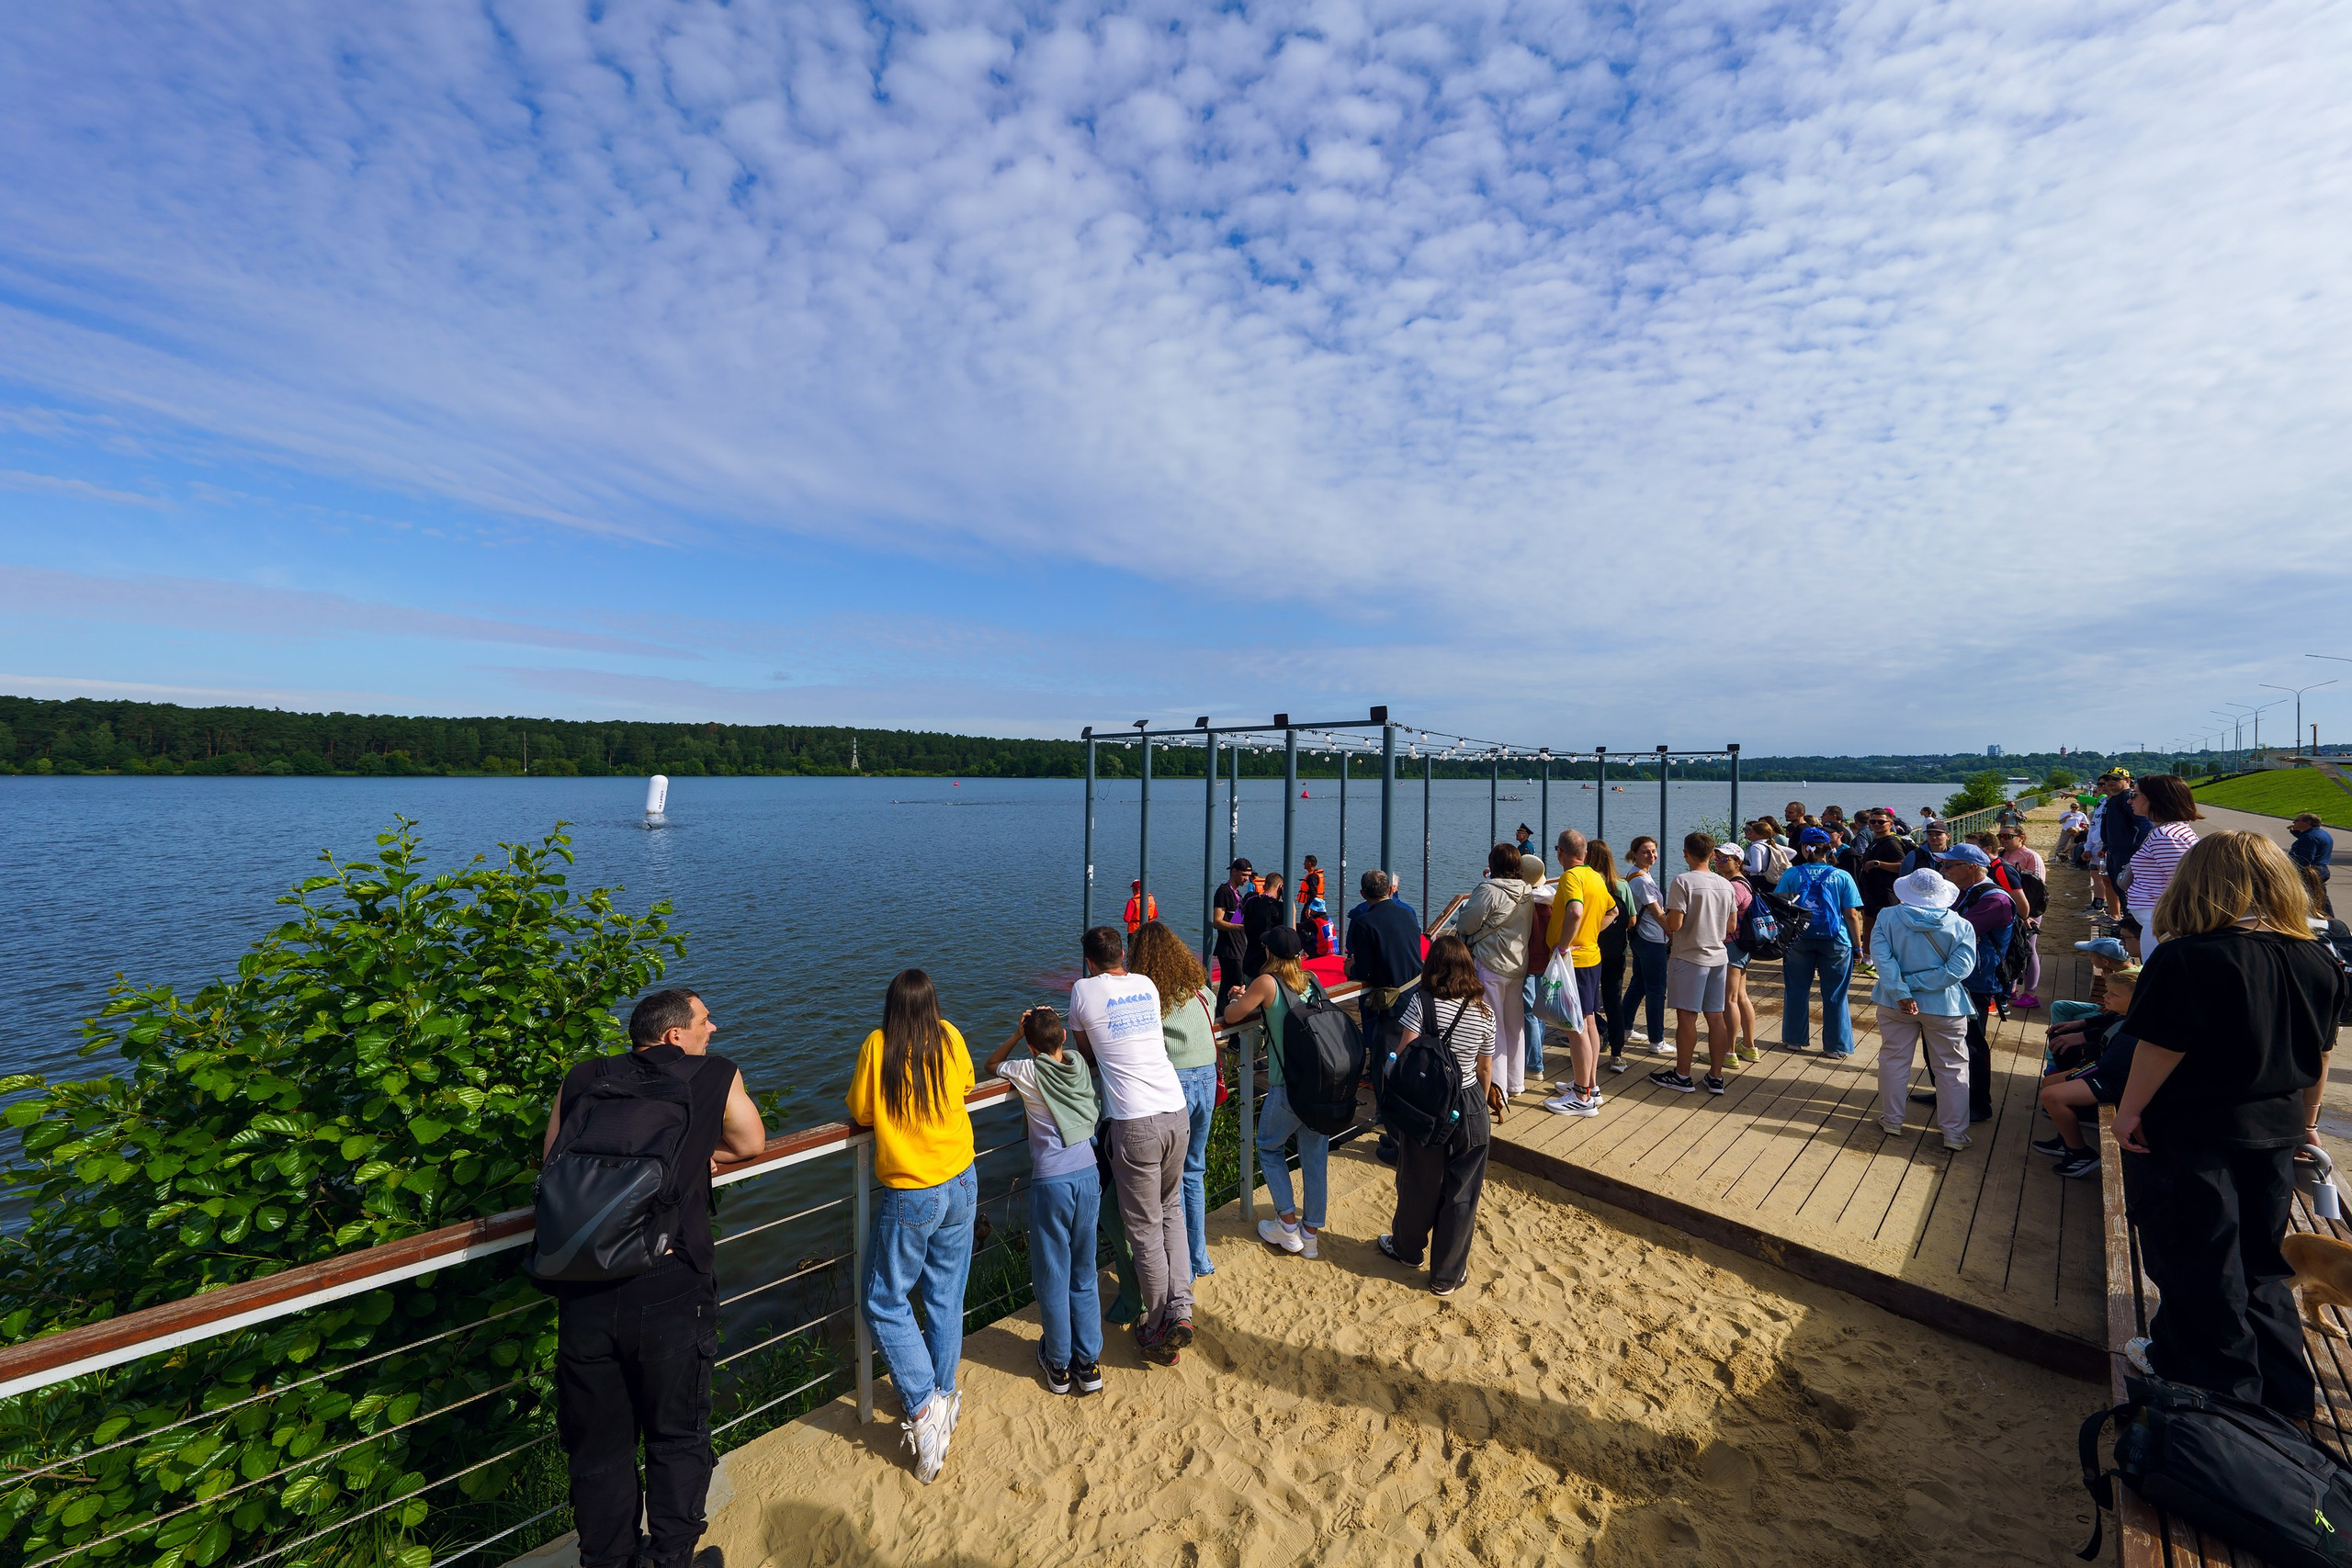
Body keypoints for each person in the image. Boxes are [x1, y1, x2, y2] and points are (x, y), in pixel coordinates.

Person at [2115, 831, 2346, 1418]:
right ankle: (2286, 1392)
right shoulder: (2317, 956)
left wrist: (2130, 1109)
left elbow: (2161, 1048)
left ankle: (2219, 1394)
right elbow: (2320, 1052)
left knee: (2200, 1261)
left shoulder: (2188, 956)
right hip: (2277, 1125)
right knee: (2263, 1262)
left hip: (2195, 1130)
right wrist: (2310, 1124)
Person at [544, 989, 768, 1566]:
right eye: (704, 1021)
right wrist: (698, 1155)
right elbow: (750, 1143)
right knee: (676, 1435)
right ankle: (671, 1559)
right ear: (674, 1036)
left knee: (599, 1449)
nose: (712, 1030)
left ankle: (610, 1560)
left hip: (583, 1284)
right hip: (670, 1282)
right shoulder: (715, 1074)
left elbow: (551, 1165)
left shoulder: (583, 1076)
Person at [846, 971, 977, 1484]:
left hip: (913, 1189)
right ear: (932, 1004)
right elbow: (967, 1083)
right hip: (962, 1180)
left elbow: (859, 1110)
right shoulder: (949, 1035)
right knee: (946, 1294)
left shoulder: (879, 1045)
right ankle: (943, 1396)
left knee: (882, 1299)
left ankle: (924, 1408)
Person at [1067, 926, 1193, 1363]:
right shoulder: (1147, 984)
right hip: (1176, 1110)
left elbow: (1086, 1053)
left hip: (1134, 1122)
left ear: (1089, 961)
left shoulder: (1082, 992)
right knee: (1171, 1212)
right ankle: (1182, 1309)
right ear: (1122, 953)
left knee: (1143, 1228)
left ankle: (1158, 1326)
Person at [983, 1006, 1103, 1396]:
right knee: (1084, 1272)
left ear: (1032, 1046)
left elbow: (990, 1065)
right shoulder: (1079, 1067)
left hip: (1052, 1181)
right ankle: (1089, 1363)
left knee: (1053, 1274)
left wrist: (1017, 1036)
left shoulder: (1027, 1071)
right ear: (1064, 1038)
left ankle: (1058, 1364)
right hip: (1089, 1173)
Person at [1376, 933, 1500, 1295]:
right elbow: (1485, 1069)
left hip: (1429, 1107)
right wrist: (1484, 1101)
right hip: (1469, 1104)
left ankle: (1407, 1249)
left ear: (1433, 966)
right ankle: (1446, 1275)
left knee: (1418, 1182)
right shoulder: (1484, 1010)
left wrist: (1388, 1074)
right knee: (1463, 1190)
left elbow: (1404, 1052)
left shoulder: (1422, 1002)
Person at [1224, 927, 1332, 1258]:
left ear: (1269, 953)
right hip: (1321, 1085)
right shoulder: (1311, 978)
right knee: (1314, 1157)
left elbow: (1232, 1016)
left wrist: (1235, 997)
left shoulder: (1267, 982)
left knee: (1269, 1147)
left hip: (1287, 1086)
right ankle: (1309, 1235)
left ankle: (1287, 1226)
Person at [1127, 919, 1221, 1282]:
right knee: (1193, 1171)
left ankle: (1176, 1265)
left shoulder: (1152, 996)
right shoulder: (1199, 988)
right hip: (1208, 1078)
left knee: (1167, 1183)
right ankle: (1200, 1258)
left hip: (1176, 1084)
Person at [1869, 871, 1978, 1150]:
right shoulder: (1961, 924)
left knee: (1894, 1059)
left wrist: (1903, 992)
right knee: (1952, 1068)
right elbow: (1960, 969)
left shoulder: (1887, 917)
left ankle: (1892, 1119)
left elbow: (1883, 960)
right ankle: (1954, 1132)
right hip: (1945, 1005)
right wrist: (1918, 984)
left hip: (1895, 1002)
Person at [2032, 964, 2141, 1179]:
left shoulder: (2133, 1032)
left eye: (2113, 994)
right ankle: (2066, 1140)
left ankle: (2080, 1154)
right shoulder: (2123, 1017)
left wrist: (2074, 1075)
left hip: (2117, 1083)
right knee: (2050, 1084)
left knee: (2051, 1095)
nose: (2105, 996)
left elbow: (2107, 1067)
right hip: (2106, 1073)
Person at [1652, 832, 1737, 1093]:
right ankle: (1716, 1076)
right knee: (1715, 1017)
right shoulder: (1726, 884)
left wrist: (1657, 913)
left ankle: (1682, 1075)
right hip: (1718, 957)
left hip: (1690, 957)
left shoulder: (1683, 881)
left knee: (1687, 1017)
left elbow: (1674, 925)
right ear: (1713, 856)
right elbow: (1731, 926)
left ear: (1685, 853)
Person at [1936, 844, 2015, 1122]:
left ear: (1971, 867)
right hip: (1958, 975)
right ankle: (1946, 1093)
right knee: (1943, 1040)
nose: (1943, 870)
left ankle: (1979, 1103)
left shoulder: (1996, 900)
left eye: (1949, 865)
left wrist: (1954, 930)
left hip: (1978, 980)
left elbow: (1953, 931)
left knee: (1971, 1042)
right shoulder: (1966, 893)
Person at [1453, 842, 1536, 1100]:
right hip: (1518, 964)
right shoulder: (1527, 890)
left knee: (1492, 1025)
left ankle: (1496, 1086)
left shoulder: (1489, 889)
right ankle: (1515, 1082)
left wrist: (1460, 916)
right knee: (1514, 1024)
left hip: (1490, 963)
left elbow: (1467, 924)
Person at [1775, 828, 1865, 1056]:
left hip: (1799, 940)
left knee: (1796, 990)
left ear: (1804, 848)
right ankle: (1836, 1047)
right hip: (1836, 940)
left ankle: (1795, 1039)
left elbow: (1780, 908)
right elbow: (1851, 914)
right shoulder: (1842, 876)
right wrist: (1858, 947)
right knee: (1835, 994)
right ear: (1830, 848)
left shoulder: (1792, 874)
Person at [1543, 829, 1613, 1111]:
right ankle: (1590, 1084)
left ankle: (1582, 1096)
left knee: (1575, 1027)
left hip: (1575, 961)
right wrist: (1589, 934)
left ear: (1560, 852)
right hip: (1591, 956)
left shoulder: (1571, 877)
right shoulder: (1595, 876)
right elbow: (1613, 912)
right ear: (1585, 853)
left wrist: (1563, 945)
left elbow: (1575, 911)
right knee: (1589, 1021)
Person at [1346, 868, 1424, 1088]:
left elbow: (1365, 971)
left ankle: (1388, 1107)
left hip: (1391, 1000)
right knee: (1412, 1049)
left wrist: (1351, 968)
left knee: (1386, 1055)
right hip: (1417, 991)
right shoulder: (1408, 913)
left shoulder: (1364, 922)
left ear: (1363, 894)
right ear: (1390, 890)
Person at [2123, 773, 2202, 955]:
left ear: (2154, 799)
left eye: (2134, 795)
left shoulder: (2166, 835)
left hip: (2161, 922)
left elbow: (2183, 883)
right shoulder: (2171, 831)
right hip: (2160, 919)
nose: (2130, 801)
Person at [1588, 840, 1635, 1069]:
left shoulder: (1587, 882)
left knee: (1584, 1002)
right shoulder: (1622, 886)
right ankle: (1617, 1054)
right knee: (1613, 1001)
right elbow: (1632, 920)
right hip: (1616, 952)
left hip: (1590, 950)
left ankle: (1588, 1049)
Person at [1712, 842, 1759, 1063]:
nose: (1719, 862)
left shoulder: (1733, 887)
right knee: (1740, 997)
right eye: (1717, 858)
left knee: (1729, 999)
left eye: (1725, 859)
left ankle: (1728, 1052)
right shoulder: (1744, 883)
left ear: (1738, 862)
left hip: (1732, 946)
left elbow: (1729, 924)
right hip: (1742, 946)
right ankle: (1749, 1046)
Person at [1623, 835, 1670, 1055]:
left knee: (1639, 983)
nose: (1651, 855)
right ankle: (1657, 1040)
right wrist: (1674, 933)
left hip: (1640, 937)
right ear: (1634, 854)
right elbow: (1658, 913)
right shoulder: (1641, 880)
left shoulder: (1635, 875)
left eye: (1653, 851)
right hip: (1651, 938)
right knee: (1656, 990)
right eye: (1645, 852)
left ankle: (1624, 1027)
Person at [1994, 824, 2048, 1007]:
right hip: (2007, 910)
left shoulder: (2031, 856)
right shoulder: (2001, 854)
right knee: (2010, 948)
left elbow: (2037, 889)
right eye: (2000, 835)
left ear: (2021, 837)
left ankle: (2031, 993)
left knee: (2028, 949)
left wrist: (2027, 915)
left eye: (2007, 836)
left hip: (2028, 911)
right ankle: (2012, 987)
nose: (2002, 839)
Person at [2098, 769, 2148, 919]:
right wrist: (2106, 846)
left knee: (2127, 891)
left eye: (2116, 778)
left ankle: (2131, 926)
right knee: (2118, 888)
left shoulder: (2127, 797)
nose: (2110, 781)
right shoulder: (2113, 799)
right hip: (2114, 851)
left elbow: (2144, 823)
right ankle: (2126, 924)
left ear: (2127, 781)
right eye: (2107, 779)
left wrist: (2141, 849)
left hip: (2127, 852)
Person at [1212, 859, 1254, 1010]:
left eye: (1248, 875)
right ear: (1234, 871)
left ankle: (1221, 1019)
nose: (1246, 879)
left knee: (1228, 987)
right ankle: (1228, 1021)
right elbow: (1217, 921)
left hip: (1238, 946)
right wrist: (1241, 928)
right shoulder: (1224, 891)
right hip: (1229, 949)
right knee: (1236, 986)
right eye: (1243, 875)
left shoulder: (1237, 894)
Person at [1858, 819, 1906, 944]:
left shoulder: (1891, 843)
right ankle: (1867, 959)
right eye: (1873, 821)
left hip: (1886, 892)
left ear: (1890, 824)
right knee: (1868, 926)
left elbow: (1902, 865)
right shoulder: (1875, 840)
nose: (1876, 824)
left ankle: (1891, 957)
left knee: (1888, 929)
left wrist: (1878, 864)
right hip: (1871, 891)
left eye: (1881, 822)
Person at [1241, 871, 1288, 982]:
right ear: (1280, 887)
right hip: (1269, 966)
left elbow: (1238, 919)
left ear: (1265, 885)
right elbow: (1290, 935)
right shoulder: (1280, 909)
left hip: (1249, 961)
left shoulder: (1249, 899)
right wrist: (1290, 905)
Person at [2290, 813, 2335, 888]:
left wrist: (2290, 867)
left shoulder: (2309, 837)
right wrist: (2297, 833)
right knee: (2320, 896)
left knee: (2309, 897)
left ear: (2308, 822)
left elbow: (2305, 858)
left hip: (2310, 872)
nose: (2294, 822)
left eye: (2297, 820)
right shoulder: (2322, 833)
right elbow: (2309, 843)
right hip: (2321, 870)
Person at [1295, 855, 1326, 941]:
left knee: (1305, 926)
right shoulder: (1313, 875)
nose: (1303, 863)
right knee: (1311, 925)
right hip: (1316, 905)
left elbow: (1313, 893)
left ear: (1309, 863)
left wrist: (1309, 907)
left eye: (1305, 862)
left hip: (1312, 905)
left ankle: (1305, 947)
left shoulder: (1312, 877)